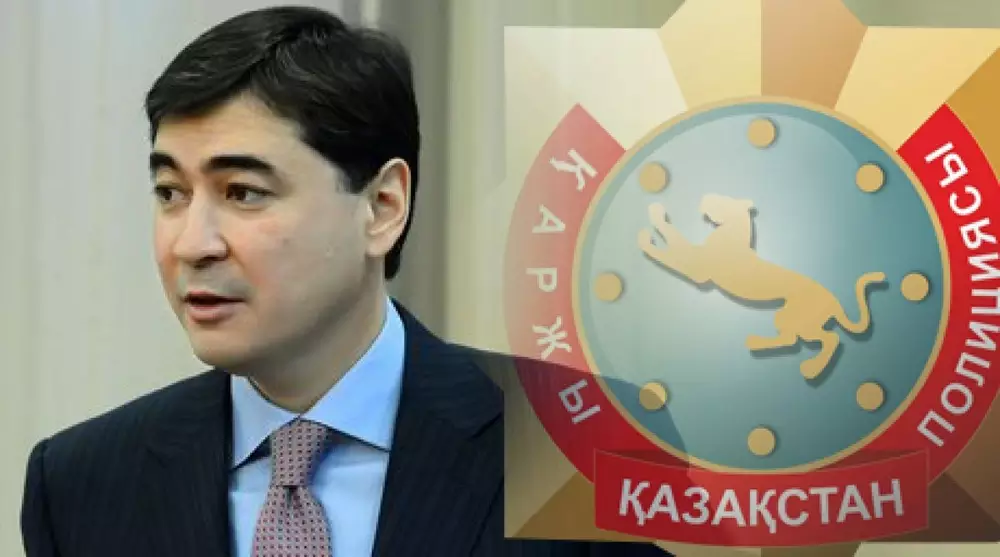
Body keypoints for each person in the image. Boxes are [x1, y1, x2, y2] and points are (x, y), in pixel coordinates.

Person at [19, 6, 670, 557]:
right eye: (170, 192)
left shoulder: (587, 449)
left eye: (242, 191)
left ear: (382, 206)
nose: (192, 244)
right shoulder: (80, 485)